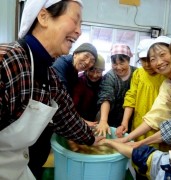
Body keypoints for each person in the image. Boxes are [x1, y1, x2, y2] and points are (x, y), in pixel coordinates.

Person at [0, 1, 103, 179]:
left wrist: (93, 139)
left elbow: (67, 117)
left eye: (81, 25)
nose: (79, 31)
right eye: (75, 21)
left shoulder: (49, 77)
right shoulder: (7, 61)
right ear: (43, 17)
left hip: (16, 167)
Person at [118, 36, 171, 149]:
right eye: (152, 59)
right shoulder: (167, 85)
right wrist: (126, 139)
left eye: (162, 55)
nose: (158, 62)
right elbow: (155, 116)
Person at [115, 39, 165, 142]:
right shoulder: (138, 74)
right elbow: (131, 97)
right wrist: (124, 122)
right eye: (143, 60)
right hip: (139, 123)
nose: (147, 64)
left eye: (150, 59)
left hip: (160, 125)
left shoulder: (165, 76)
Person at [96, 44, 137, 137]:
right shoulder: (109, 76)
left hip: (131, 117)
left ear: (129, 61)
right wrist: (103, 121)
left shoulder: (136, 73)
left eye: (122, 63)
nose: (118, 67)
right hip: (110, 115)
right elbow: (106, 97)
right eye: (115, 63)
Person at [72, 54, 105, 125]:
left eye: (99, 72)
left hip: (96, 119)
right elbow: (73, 105)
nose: (95, 75)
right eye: (92, 71)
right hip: (78, 119)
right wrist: (81, 121)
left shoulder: (104, 82)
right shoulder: (79, 80)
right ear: (86, 69)